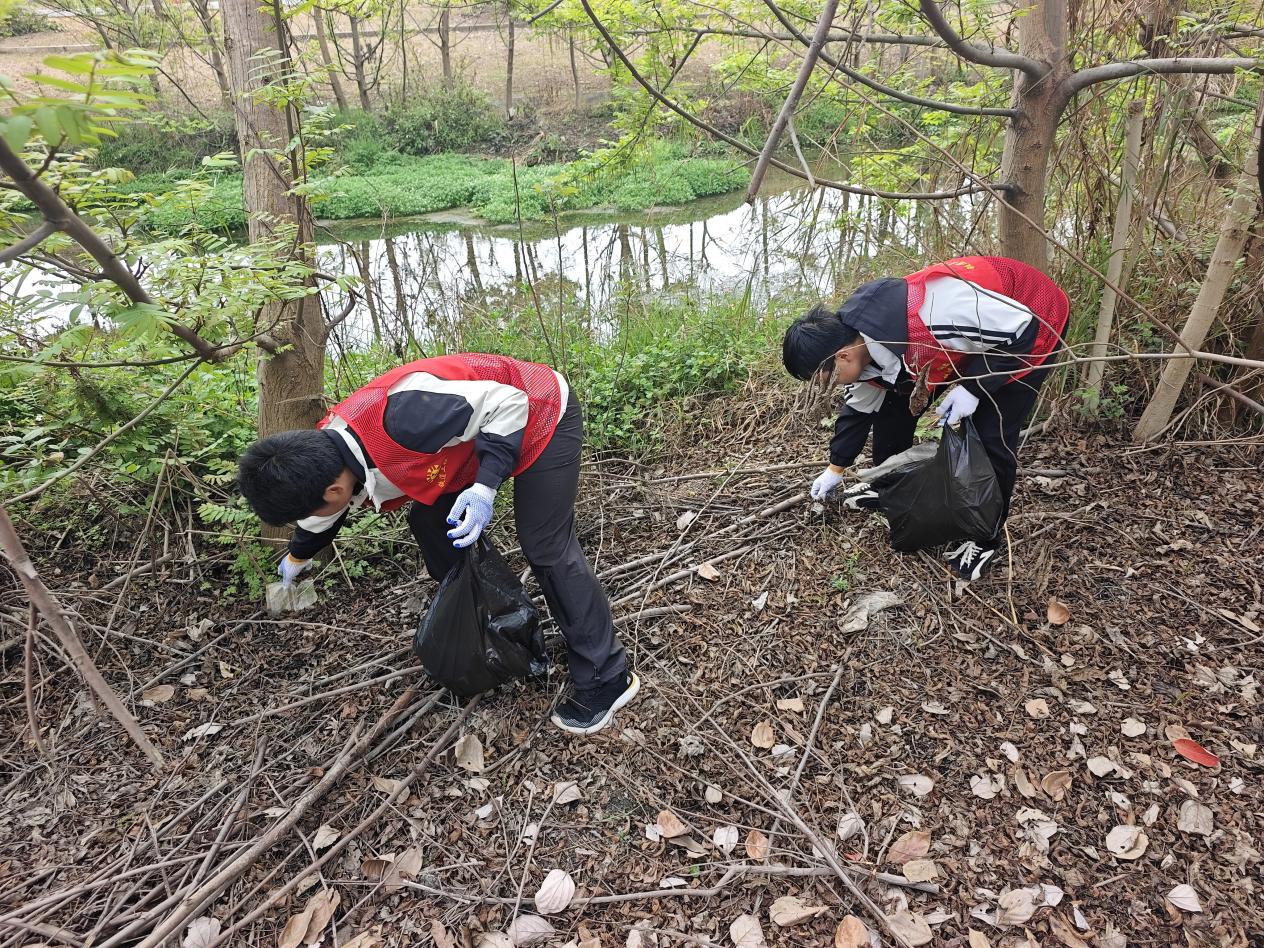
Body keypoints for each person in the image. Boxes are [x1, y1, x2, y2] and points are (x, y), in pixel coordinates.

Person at [237, 353, 639, 735]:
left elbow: (509, 402)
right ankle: (497, 623)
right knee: (430, 521)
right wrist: (297, 556)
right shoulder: (326, 452)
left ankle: (607, 677)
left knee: (545, 545)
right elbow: (322, 512)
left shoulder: (404, 417)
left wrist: (485, 487)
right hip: (468, 442)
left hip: (539, 411)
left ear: (335, 487)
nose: (313, 515)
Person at [782, 256, 1069, 581]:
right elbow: (859, 410)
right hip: (965, 343)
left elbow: (1022, 328)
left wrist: (973, 388)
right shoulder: (860, 344)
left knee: (989, 435)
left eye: (828, 379)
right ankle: (890, 488)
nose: (832, 387)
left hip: (1030, 324)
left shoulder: (935, 314)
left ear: (843, 356)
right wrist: (835, 469)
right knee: (893, 410)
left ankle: (984, 536)